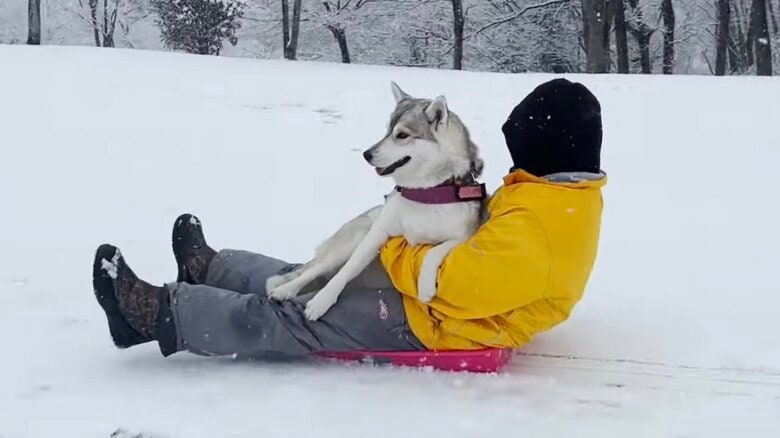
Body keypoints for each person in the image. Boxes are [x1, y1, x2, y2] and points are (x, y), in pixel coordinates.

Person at [92, 78, 607, 358]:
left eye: (520, 147)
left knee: (298, 317)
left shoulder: (544, 222)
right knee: (316, 275)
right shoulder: (550, 193)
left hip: (443, 325)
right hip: (434, 303)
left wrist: (395, 243)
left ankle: (157, 315)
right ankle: (212, 270)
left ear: (547, 148)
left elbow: (460, 287)